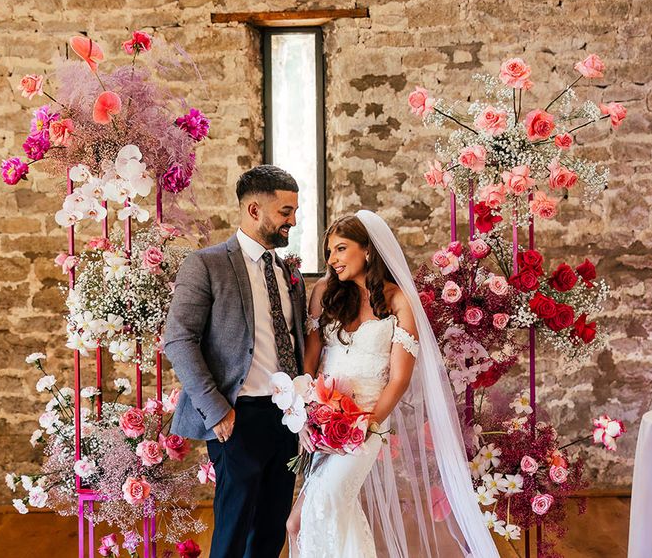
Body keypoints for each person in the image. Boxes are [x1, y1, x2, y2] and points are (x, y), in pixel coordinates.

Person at [287, 211, 499, 558]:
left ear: (367, 251)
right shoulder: (324, 292)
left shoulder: (397, 300)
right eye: (329, 252)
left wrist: (364, 426)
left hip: (367, 425)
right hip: (322, 423)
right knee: (304, 521)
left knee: (324, 507)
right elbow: (310, 361)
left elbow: (399, 379)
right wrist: (307, 417)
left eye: (341, 249)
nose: (333, 259)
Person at [164, 165, 307, 558]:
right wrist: (217, 411)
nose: (292, 221)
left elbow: (295, 342)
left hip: (286, 419)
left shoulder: (288, 272)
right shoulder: (207, 264)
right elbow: (178, 339)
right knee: (232, 531)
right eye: (286, 212)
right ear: (254, 210)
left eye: (295, 212)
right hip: (236, 418)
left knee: (270, 532)